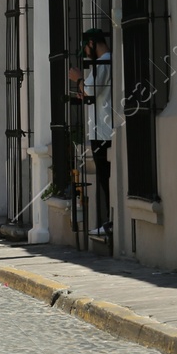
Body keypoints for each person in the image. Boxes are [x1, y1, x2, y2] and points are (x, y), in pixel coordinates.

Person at [67, 27, 114, 236]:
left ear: (92, 44)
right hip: (100, 130)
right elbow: (92, 91)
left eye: (86, 48)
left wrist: (78, 80)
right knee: (104, 179)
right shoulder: (101, 63)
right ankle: (108, 222)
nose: (86, 54)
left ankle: (110, 223)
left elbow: (92, 89)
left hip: (104, 131)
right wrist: (82, 89)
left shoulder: (105, 61)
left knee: (106, 178)